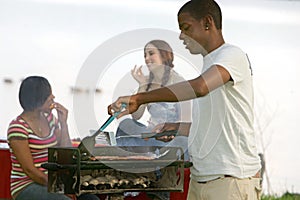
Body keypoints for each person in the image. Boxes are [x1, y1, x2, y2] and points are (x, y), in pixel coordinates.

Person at [108, 0, 262, 200]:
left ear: (207, 23)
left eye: (186, 28)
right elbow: (211, 124)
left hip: (231, 179)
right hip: (201, 178)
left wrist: (140, 98)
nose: (181, 36)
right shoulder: (209, 64)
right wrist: (176, 126)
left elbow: (199, 87)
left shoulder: (232, 55)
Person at [7, 76, 99, 200]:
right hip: (27, 185)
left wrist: (63, 123)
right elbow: (30, 170)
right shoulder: (18, 128)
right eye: (48, 95)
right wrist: (61, 189)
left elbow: (65, 152)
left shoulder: (49, 119)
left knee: (91, 198)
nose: (53, 97)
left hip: (52, 181)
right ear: (37, 101)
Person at [116, 40, 192, 158]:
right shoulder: (147, 83)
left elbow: (185, 119)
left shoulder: (178, 82)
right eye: (145, 55)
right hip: (151, 136)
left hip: (171, 138)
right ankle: (146, 156)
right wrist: (142, 85)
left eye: (151, 54)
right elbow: (136, 116)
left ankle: (154, 158)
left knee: (182, 142)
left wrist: (170, 132)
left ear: (164, 55)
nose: (147, 58)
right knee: (125, 125)